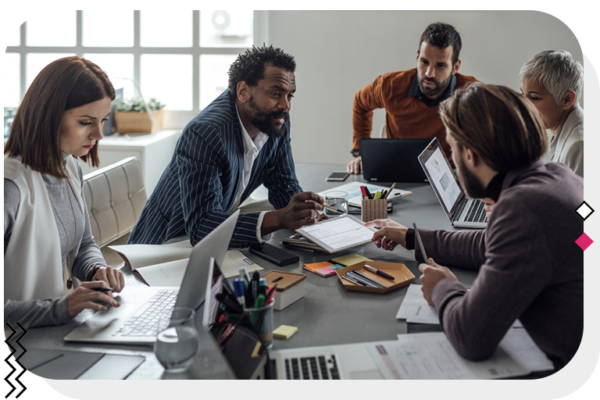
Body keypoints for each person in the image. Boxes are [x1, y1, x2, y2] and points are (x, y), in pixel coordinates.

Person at [366, 82, 583, 370]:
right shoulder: (558, 176)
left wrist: (443, 287)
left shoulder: (524, 209)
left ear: (470, 154)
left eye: (452, 148)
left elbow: (471, 337)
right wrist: (410, 237)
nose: (452, 160)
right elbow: (489, 244)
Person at [128, 45, 323, 248]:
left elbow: (283, 184)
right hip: (165, 246)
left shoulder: (275, 120)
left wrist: (306, 213)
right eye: (276, 93)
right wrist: (279, 218)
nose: (285, 105)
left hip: (212, 237)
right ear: (243, 91)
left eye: (289, 95)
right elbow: (202, 227)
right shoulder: (205, 133)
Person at [3, 56, 125, 329]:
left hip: (55, 331)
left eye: (102, 120)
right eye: (86, 122)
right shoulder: (9, 188)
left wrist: (97, 269)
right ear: (49, 115)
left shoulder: (69, 166)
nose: (98, 134)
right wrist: (61, 309)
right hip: (19, 343)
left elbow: (83, 244)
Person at [347, 22, 478, 174]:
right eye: (424, 62)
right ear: (417, 57)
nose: (429, 73)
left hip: (449, 175)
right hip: (397, 173)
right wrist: (359, 152)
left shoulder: (472, 93)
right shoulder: (390, 86)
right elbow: (360, 102)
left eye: (440, 65)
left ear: (455, 67)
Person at [483, 49, 584, 219]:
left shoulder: (579, 145)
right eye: (523, 94)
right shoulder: (564, 130)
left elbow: (581, 220)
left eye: (534, 97)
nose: (524, 105)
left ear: (567, 100)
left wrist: (515, 214)